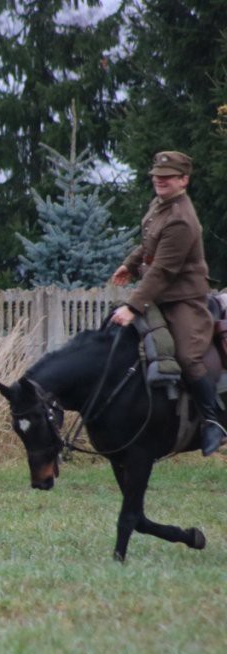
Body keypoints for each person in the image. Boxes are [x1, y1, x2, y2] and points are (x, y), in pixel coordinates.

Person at [110, 150, 225, 456]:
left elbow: (163, 270)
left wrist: (132, 306)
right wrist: (130, 264)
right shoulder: (160, 205)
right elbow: (149, 243)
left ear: (183, 180)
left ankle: (214, 421)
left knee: (188, 357)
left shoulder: (182, 220)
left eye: (167, 177)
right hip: (159, 294)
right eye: (157, 177)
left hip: (183, 300)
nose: (160, 182)